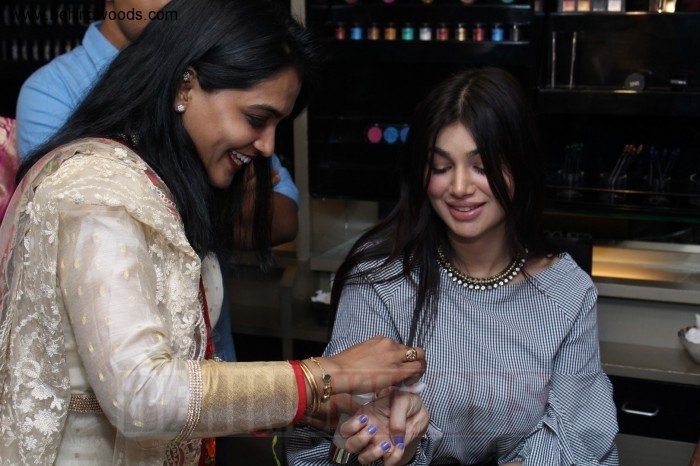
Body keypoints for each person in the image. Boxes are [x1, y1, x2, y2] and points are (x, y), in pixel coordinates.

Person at [0, 1, 426, 464]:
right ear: (185, 86)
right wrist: (324, 375)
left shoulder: (155, 185)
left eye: (277, 125)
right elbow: (142, 395)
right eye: (256, 119)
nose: (267, 146)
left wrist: (316, 405)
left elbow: (183, 381)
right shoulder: (97, 192)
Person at [288, 67, 619, 465]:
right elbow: (328, 442)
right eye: (441, 167)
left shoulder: (566, 292)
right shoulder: (381, 280)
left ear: (522, 166)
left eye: (482, 166)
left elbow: (579, 440)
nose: (460, 188)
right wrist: (399, 451)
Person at [15, 0, 301, 365]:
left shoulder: (224, 86)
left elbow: (280, 220)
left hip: (212, 361)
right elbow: (143, 384)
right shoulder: (54, 95)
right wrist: (314, 379)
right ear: (185, 89)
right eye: (255, 119)